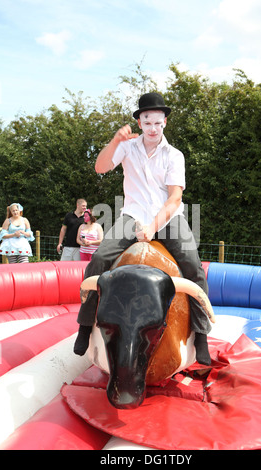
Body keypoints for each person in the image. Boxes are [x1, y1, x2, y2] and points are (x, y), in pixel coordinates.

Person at [74, 92, 212, 365]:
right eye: (147, 122)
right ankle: (84, 324)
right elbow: (100, 167)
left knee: (194, 267)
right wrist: (115, 140)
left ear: (165, 124)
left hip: (168, 219)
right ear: (139, 122)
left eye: (158, 123)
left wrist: (152, 228)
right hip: (133, 216)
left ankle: (202, 334)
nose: (152, 128)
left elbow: (175, 199)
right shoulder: (127, 147)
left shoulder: (175, 155)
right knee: (100, 258)